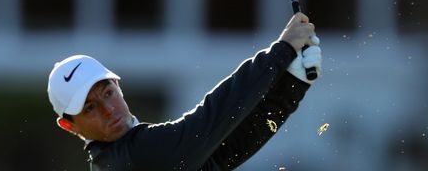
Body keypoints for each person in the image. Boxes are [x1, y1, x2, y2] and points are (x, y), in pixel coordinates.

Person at [47, 12, 322, 170]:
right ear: (68, 126)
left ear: (118, 86)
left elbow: (228, 149)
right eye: (90, 108)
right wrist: (282, 52)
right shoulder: (133, 156)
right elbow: (210, 120)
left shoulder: (126, 156)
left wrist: (293, 83)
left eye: (107, 93)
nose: (108, 110)